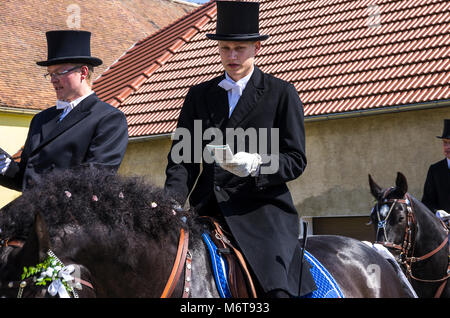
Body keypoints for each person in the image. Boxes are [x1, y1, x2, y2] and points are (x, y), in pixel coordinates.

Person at [164, 1, 316, 297]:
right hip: (208, 210)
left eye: (239, 49)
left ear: (256, 47)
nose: (231, 56)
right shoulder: (199, 95)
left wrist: (258, 164)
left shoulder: (281, 93)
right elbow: (183, 159)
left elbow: (295, 160)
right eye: (225, 49)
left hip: (262, 212)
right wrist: (169, 203)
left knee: (277, 290)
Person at [0, 30, 128, 191]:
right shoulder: (41, 119)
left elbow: (95, 177)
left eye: (60, 72)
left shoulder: (109, 119)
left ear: (83, 72)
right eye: (50, 74)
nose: (53, 79)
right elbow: (25, 179)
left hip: (71, 214)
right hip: (33, 212)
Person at [422, 119, 450, 218]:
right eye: (445, 143)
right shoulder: (435, 170)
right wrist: (437, 212)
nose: (447, 147)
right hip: (443, 229)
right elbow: (427, 202)